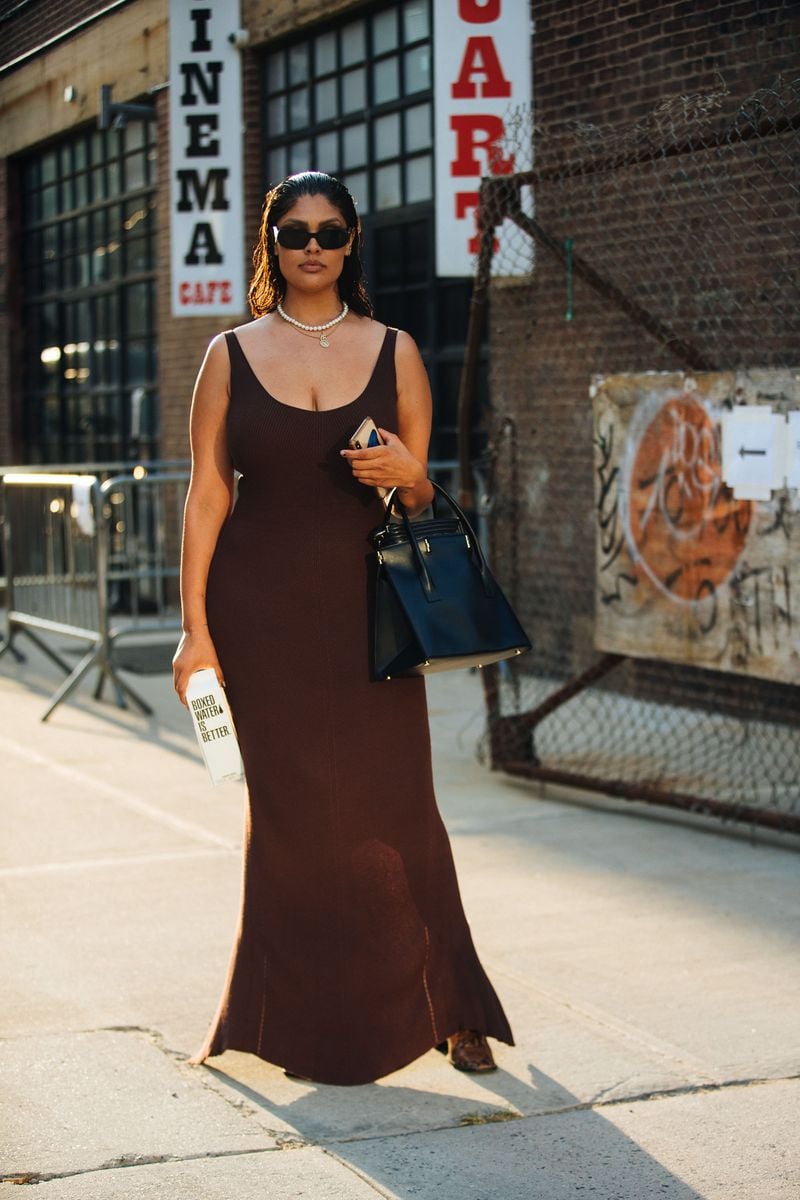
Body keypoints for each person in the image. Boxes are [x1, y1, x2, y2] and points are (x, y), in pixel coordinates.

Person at [172, 171, 514, 1085]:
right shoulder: (227, 355)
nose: (311, 245)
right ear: (271, 245)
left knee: (402, 811)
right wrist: (192, 629)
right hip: (259, 618)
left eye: (329, 230)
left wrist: (409, 469)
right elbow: (209, 493)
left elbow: (417, 490)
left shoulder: (396, 349)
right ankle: (286, 1019)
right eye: (293, 232)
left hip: (373, 614)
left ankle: (452, 1008)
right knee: (288, 823)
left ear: (352, 242)